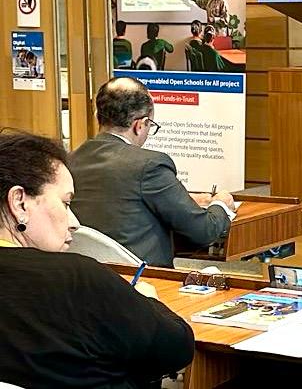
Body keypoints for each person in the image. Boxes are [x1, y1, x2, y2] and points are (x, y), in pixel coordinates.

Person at [0, 130, 194, 388]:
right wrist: (148, 301)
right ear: (20, 203)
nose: (74, 222)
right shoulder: (78, 280)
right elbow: (177, 348)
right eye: (66, 203)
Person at [69, 77, 234, 267]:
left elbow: (117, 199)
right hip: (142, 279)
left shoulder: (69, 160)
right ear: (140, 125)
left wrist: (185, 199)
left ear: (97, 114)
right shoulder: (150, 165)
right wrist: (221, 204)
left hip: (83, 275)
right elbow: (203, 231)